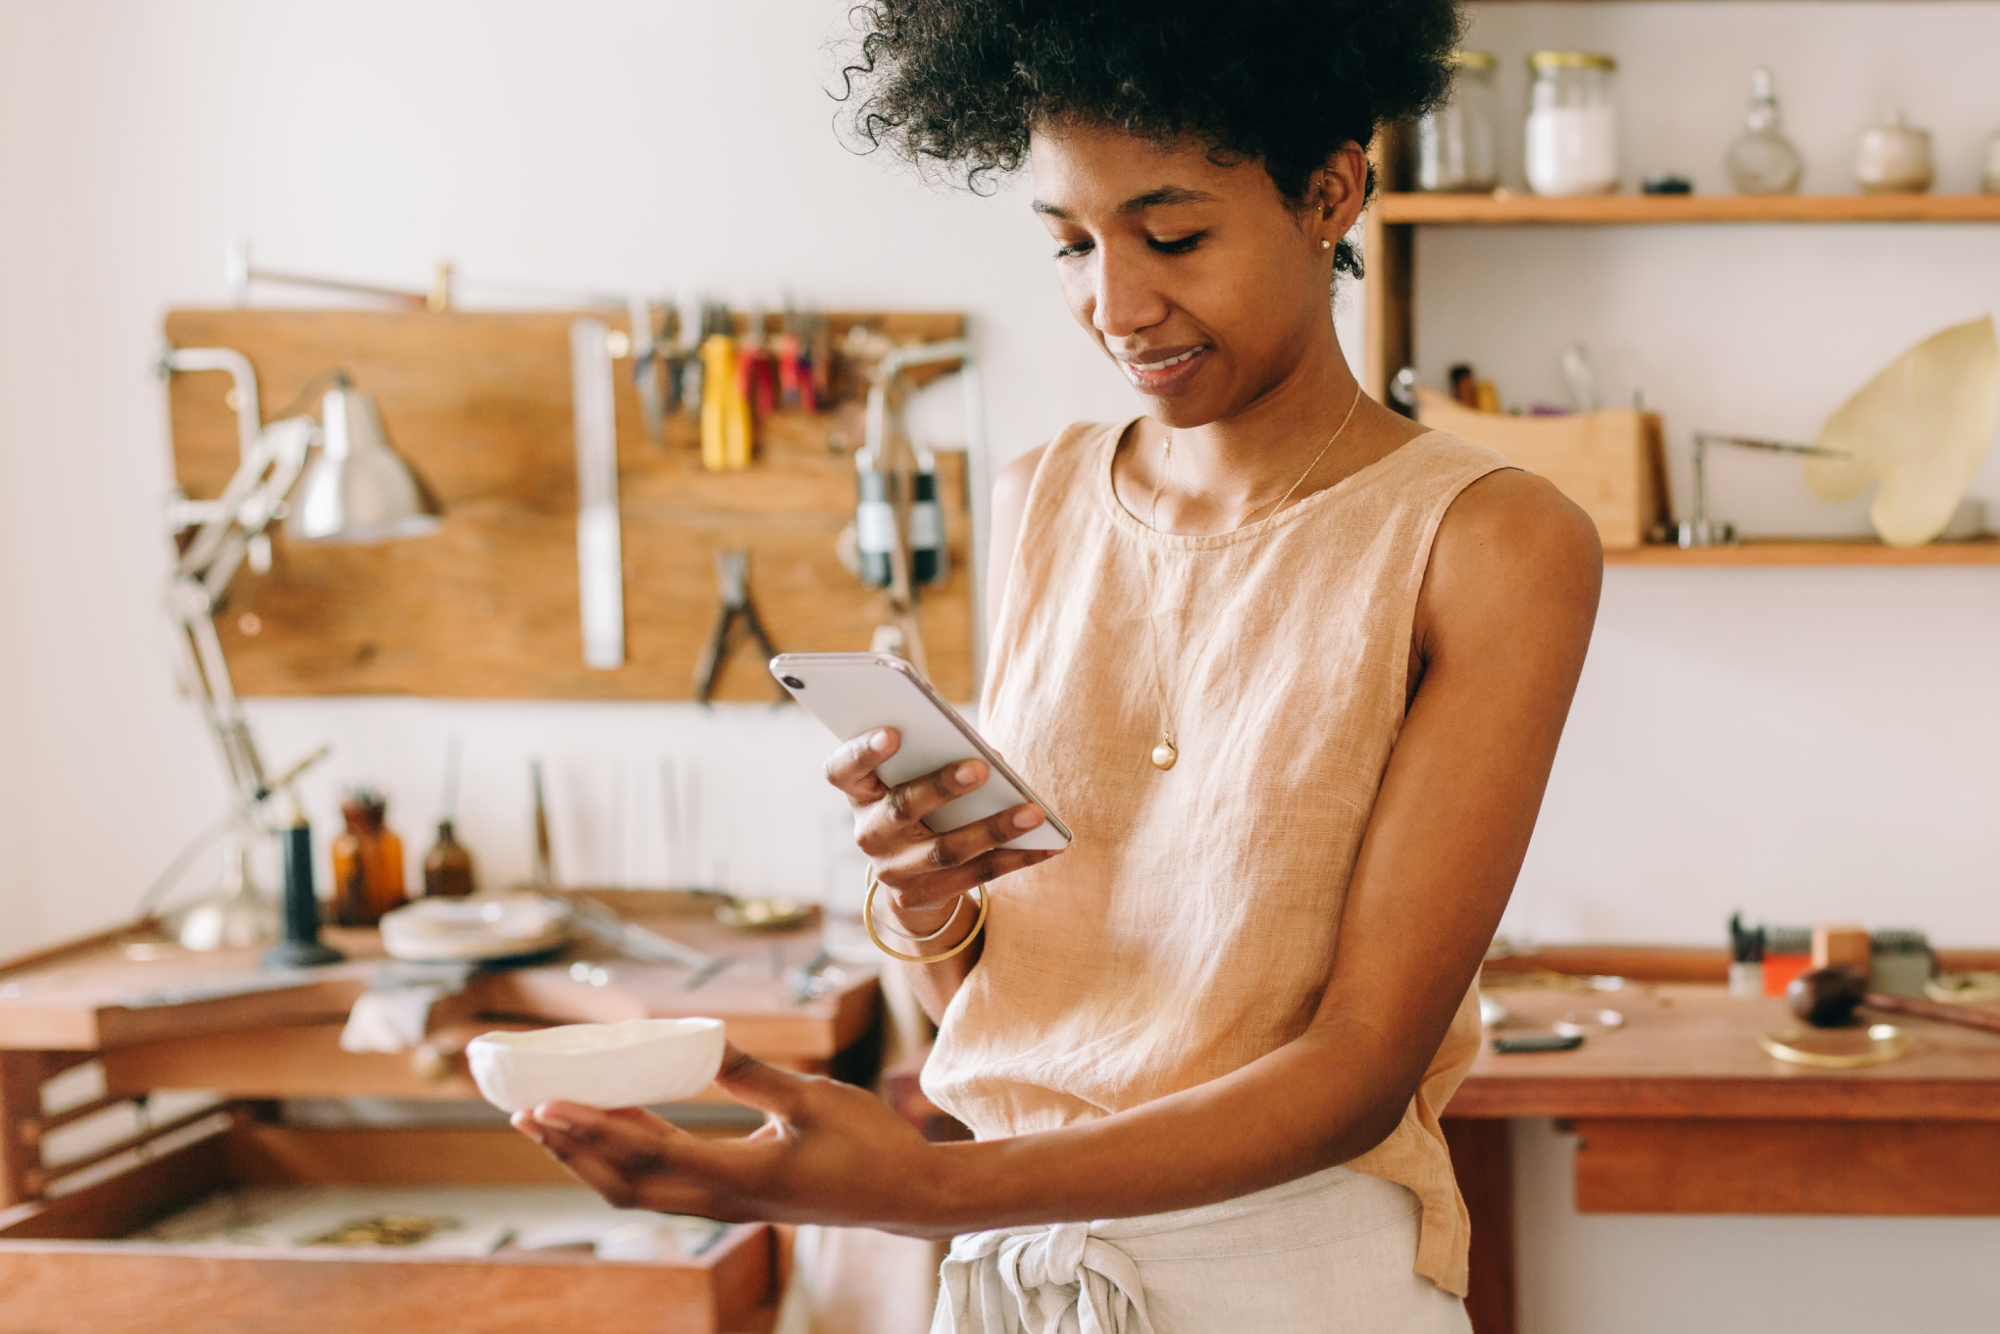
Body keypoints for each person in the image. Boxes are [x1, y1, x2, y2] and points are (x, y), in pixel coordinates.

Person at [512, 2, 1602, 1328]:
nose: (1116, 303)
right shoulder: (1039, 499)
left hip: (1283, 1280)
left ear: (1332, 191)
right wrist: (923, 899)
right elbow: (983, 1005)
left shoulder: (1489, 540)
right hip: (1007, 1278)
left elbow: (1359, 1066)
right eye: (1071, 244)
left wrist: (921, 1191)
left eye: (1174, 234)